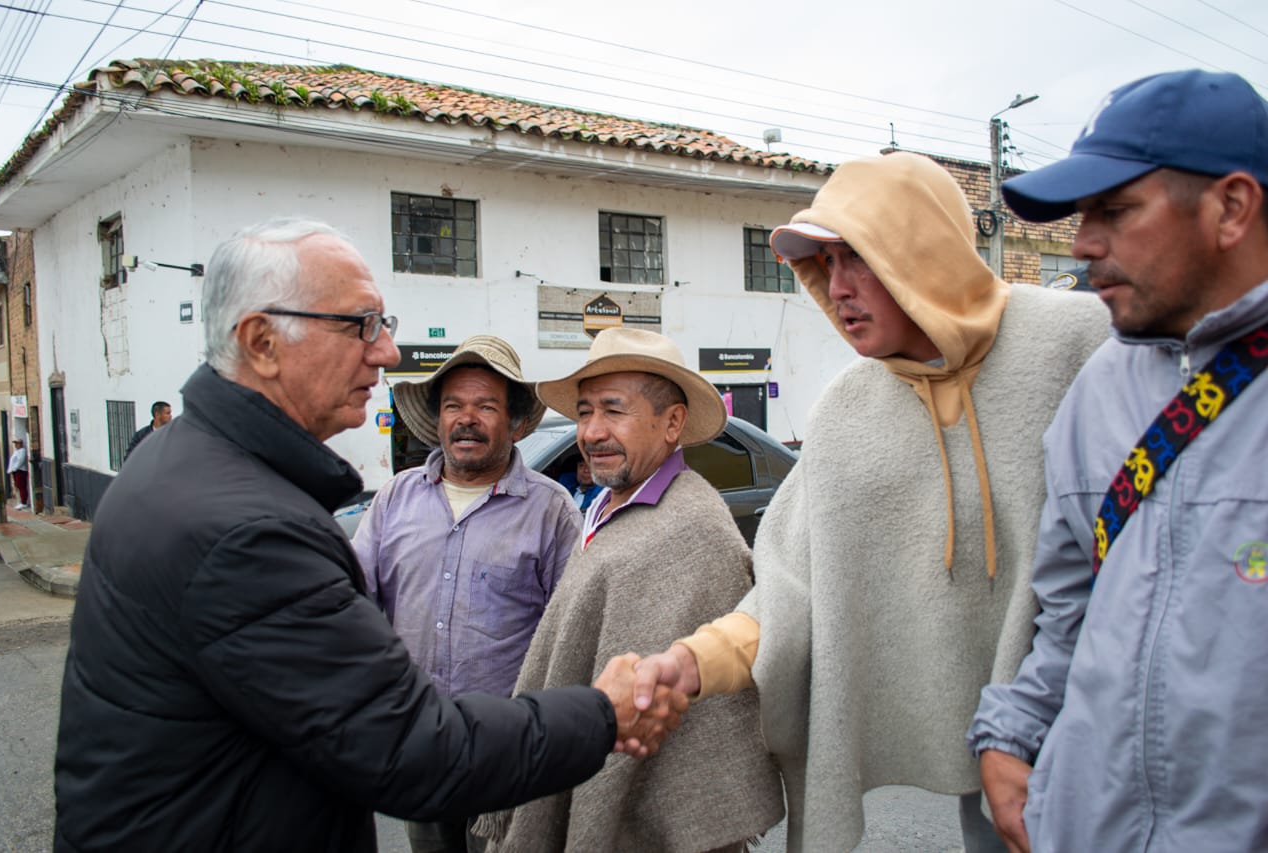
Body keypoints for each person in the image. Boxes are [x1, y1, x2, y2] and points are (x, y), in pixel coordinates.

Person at [53, 218, 685, 852]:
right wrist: (604, 715)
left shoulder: (183, 469)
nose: (384, 353)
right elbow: (408, 744)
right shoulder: (252, 529)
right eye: (361, 325)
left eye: (385, 327)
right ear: (262, 341)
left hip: (496, 758)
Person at [620, 151, 1111, 852]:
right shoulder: (845, 411)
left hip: (1114, 729)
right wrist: (692, 661)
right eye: (825, 263)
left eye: (859, 258)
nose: (838, 287)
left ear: (924, 253)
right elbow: (792, 588)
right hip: (994, 769)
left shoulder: (1078, 342)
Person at [968, 69, 1268, 852]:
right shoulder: (1099, 387)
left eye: (1115, 209)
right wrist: (1013, 729)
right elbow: (1071, 607)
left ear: (1231, 207)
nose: (1081, 242)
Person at [475, 328, 785, 852]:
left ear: (672, 423)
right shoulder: (602, 504)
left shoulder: (695, 526)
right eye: (584, 411)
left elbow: (707, 719)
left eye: (613, 411)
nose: (592, 432)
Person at [352, 334, 581, 853]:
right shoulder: (396, 498)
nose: (466, 419)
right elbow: (355, 602)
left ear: (517, 422)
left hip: (510, 752)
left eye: (485, 406)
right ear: (437, 419)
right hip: (421, 742)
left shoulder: (551, 510)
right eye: (453, 405)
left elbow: (570, 634)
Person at [7, 438, 28, 510]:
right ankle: (21, 501)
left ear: (20, 444)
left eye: (17, 443)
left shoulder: (22, 451)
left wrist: (14, 468)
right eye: (15, 443)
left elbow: (20, 461)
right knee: (18, 486)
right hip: (16, 471)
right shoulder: (17, 451)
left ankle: (24, 502)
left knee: (22, 486)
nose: (16, 445)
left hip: (20, 471)